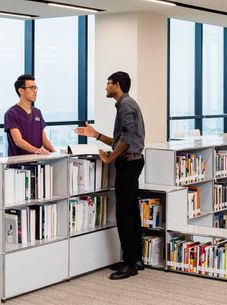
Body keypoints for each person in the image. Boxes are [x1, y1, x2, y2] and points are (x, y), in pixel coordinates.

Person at [75, 71, 146, 280]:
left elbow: (127, 137)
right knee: (132, 210)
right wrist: (95, 134)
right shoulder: (127, 103)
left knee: (123, 213)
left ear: (117, 85)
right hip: (135, 160)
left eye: (108, 83)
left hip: (128, 163)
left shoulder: (125, 104)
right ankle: (136, 258)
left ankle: (129, 264)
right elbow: (121, 139)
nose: (105, 87)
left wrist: (109, 159)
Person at [4, 74, 55, 156]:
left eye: (35, 88)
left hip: (37, 162)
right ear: (21, 91)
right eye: (31, 88)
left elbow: (43, 139)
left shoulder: (37, 112)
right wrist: (37, 150)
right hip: (18, 164)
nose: (35, 91)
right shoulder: (11, 113)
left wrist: (55, 152)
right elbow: (18, 141)